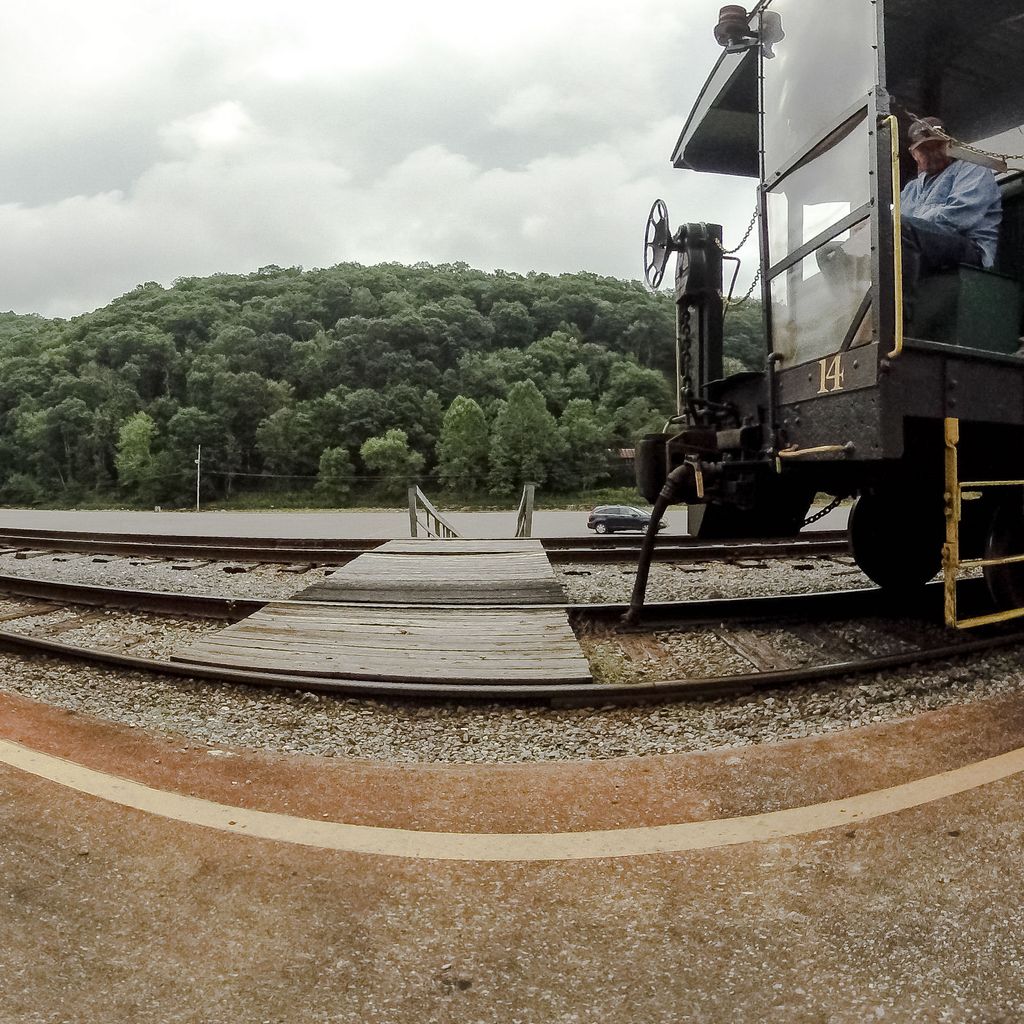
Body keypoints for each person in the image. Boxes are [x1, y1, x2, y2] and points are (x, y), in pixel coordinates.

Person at [900, 116, 1003, 285]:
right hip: (930, 255)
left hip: (972, 252)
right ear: (914, 154)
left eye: (937, 146)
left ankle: (903, 310)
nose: (932, 153)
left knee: (899, 229)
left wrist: (912, 227)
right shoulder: (910, 189)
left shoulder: (972, 169)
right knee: (890, 234)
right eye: (925, 149)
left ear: (949, 144)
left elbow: (960, 215)